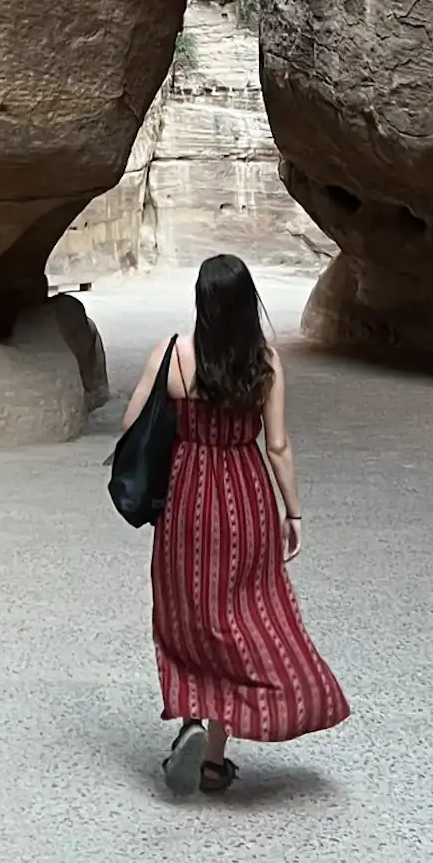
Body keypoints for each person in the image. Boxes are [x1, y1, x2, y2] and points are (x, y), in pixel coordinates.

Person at [118, 253, 350, 796]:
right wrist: (293, 512)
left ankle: (194, 720)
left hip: (187, 502)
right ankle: (215, 761)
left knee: (188, 617)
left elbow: (131, 425)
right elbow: (278, 446)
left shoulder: (173, 355)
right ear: (250, 303)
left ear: (201, 302)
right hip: (245, 500)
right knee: (244, 619)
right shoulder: (265, 362)